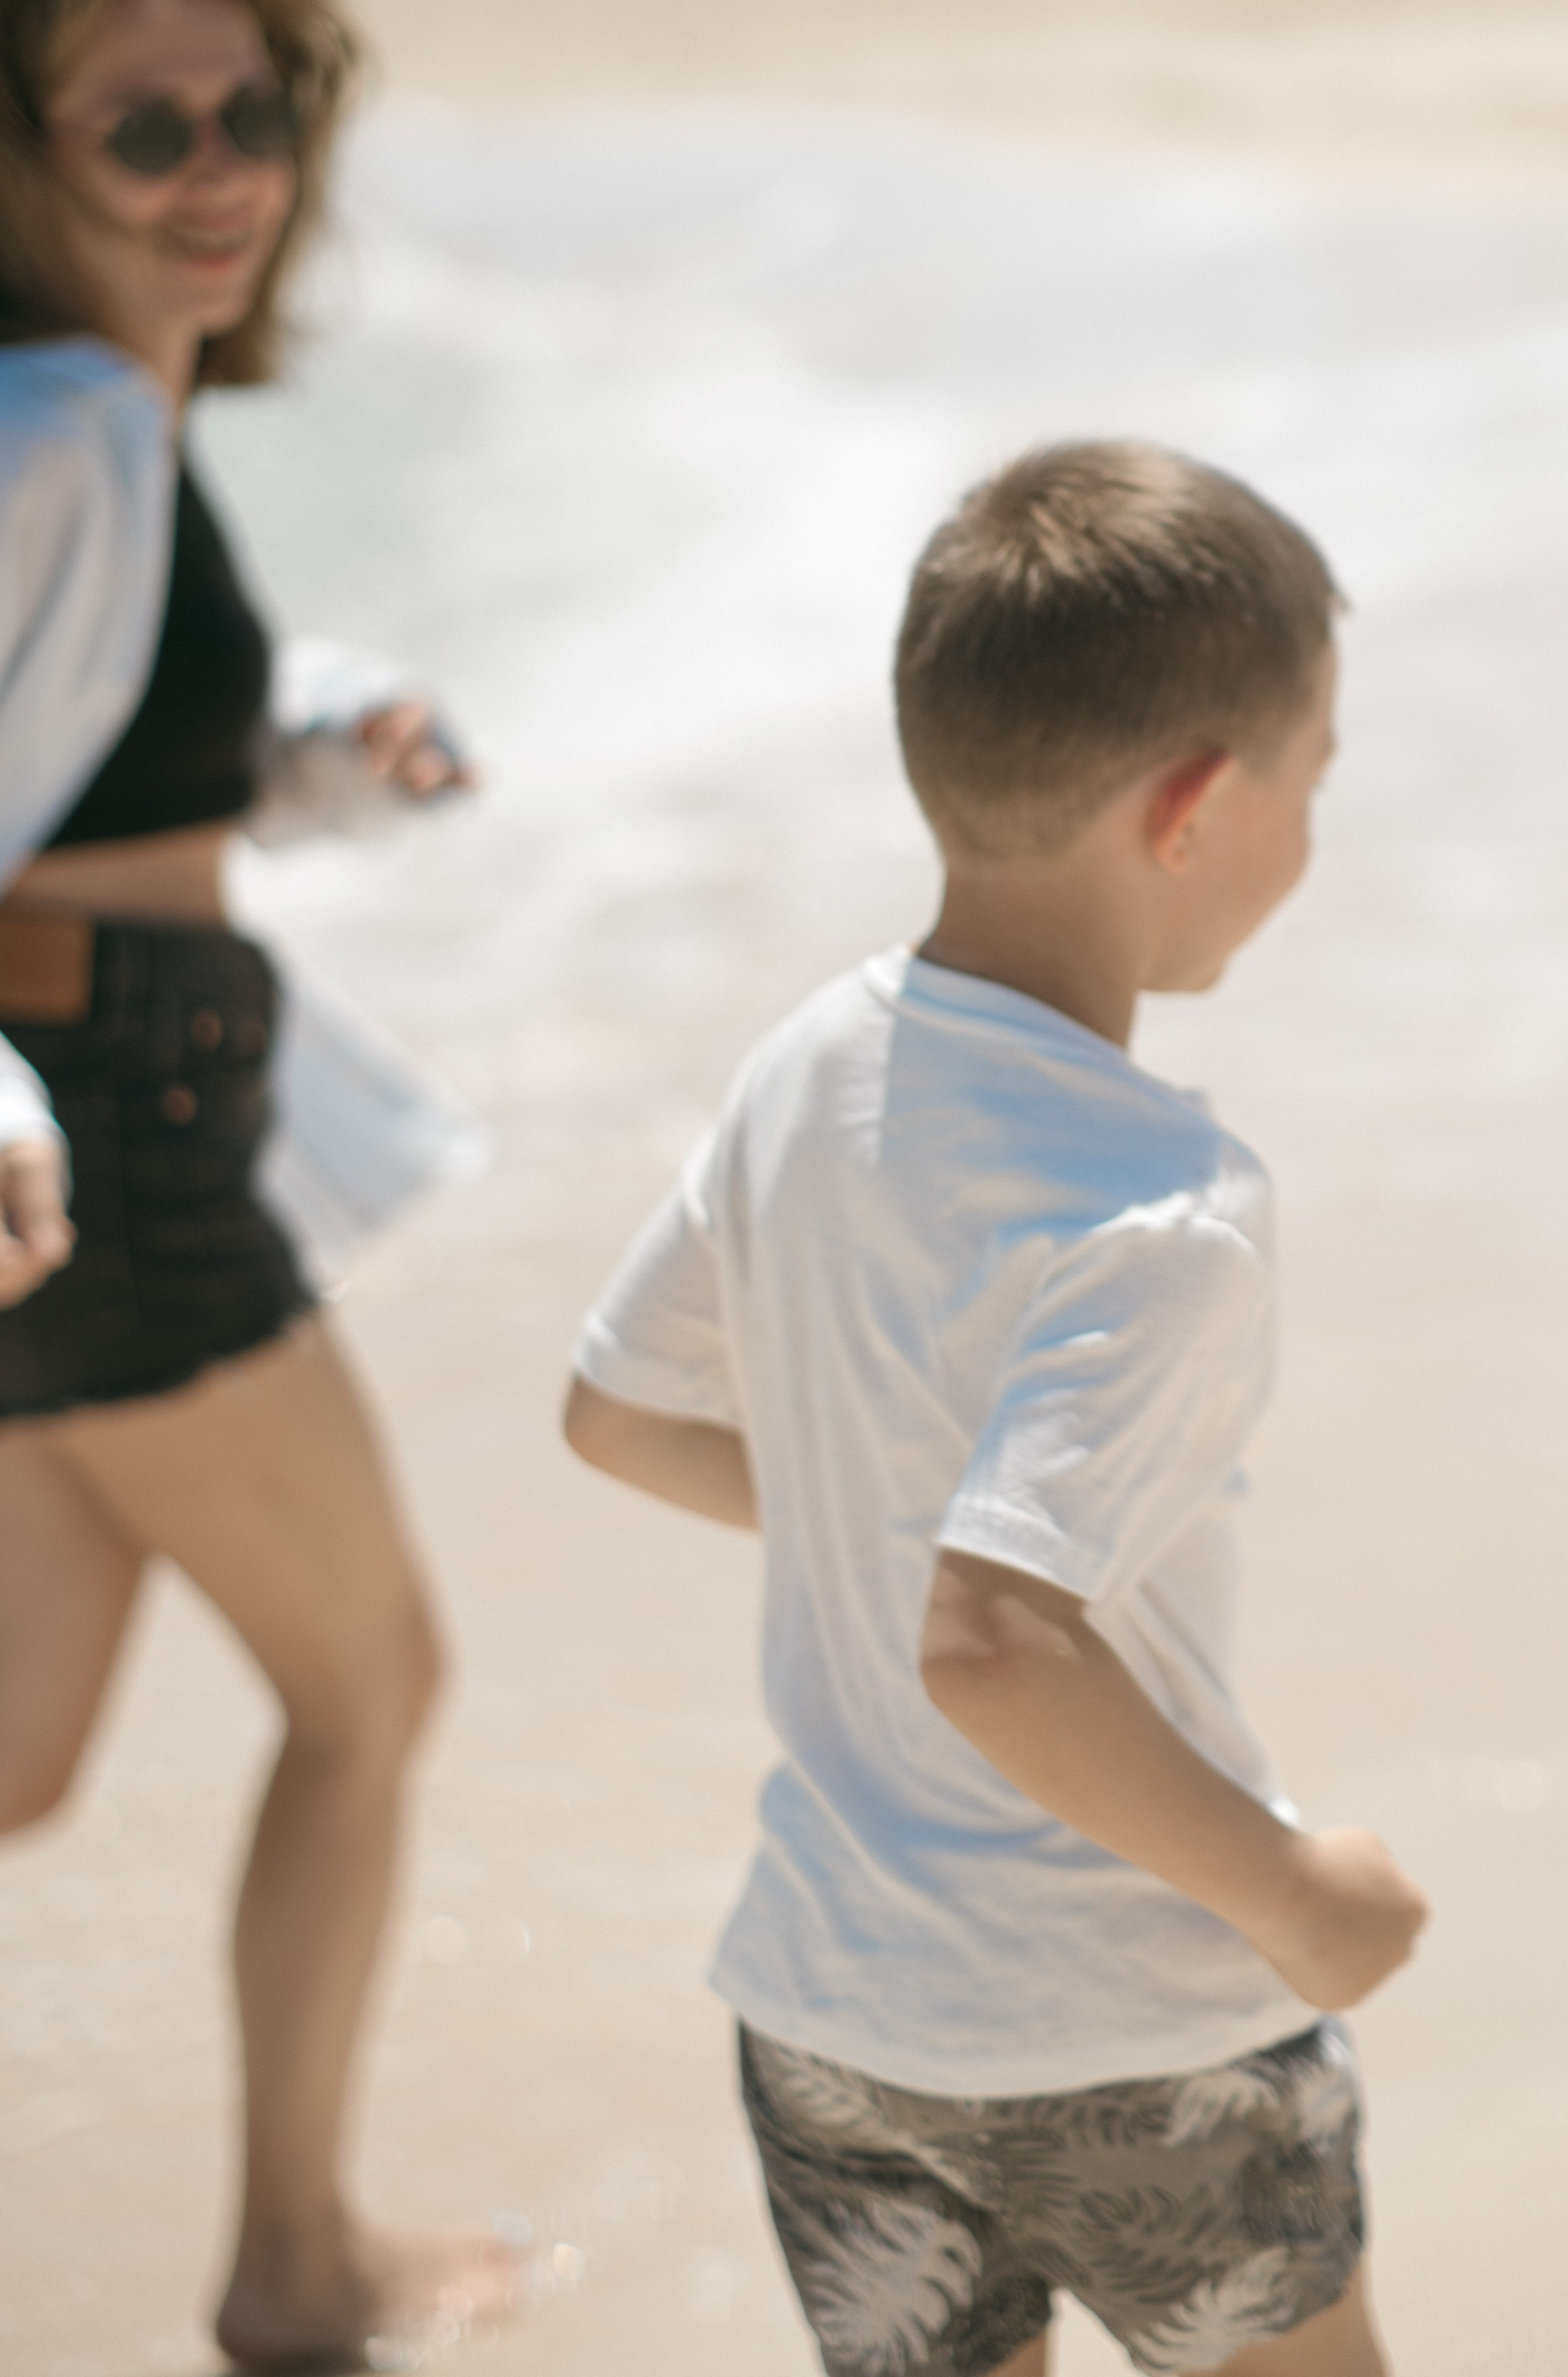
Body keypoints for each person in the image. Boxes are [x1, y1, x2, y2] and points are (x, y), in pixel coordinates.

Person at [563, 441, 1429, 2377]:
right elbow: (997, 1644)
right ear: (1198, 806)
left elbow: (616, 1416)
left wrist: (878, 1508)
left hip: (831, 2017)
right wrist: (1297, 1896)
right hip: (1137, 2026)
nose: (1315, 824)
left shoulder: (808, 1064)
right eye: (1316, 775)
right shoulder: (1162, 1207)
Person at [0, 0, 514, 2363]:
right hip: (92, 1135)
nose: (220, 169)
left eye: (257, 111)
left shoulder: (93, 395)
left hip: (84, 1103)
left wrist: (317, 739)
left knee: (3, 1763)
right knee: (375, 1682)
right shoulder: (52, 419)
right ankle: (298, 2268)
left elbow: (80, 748)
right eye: (144, 127)